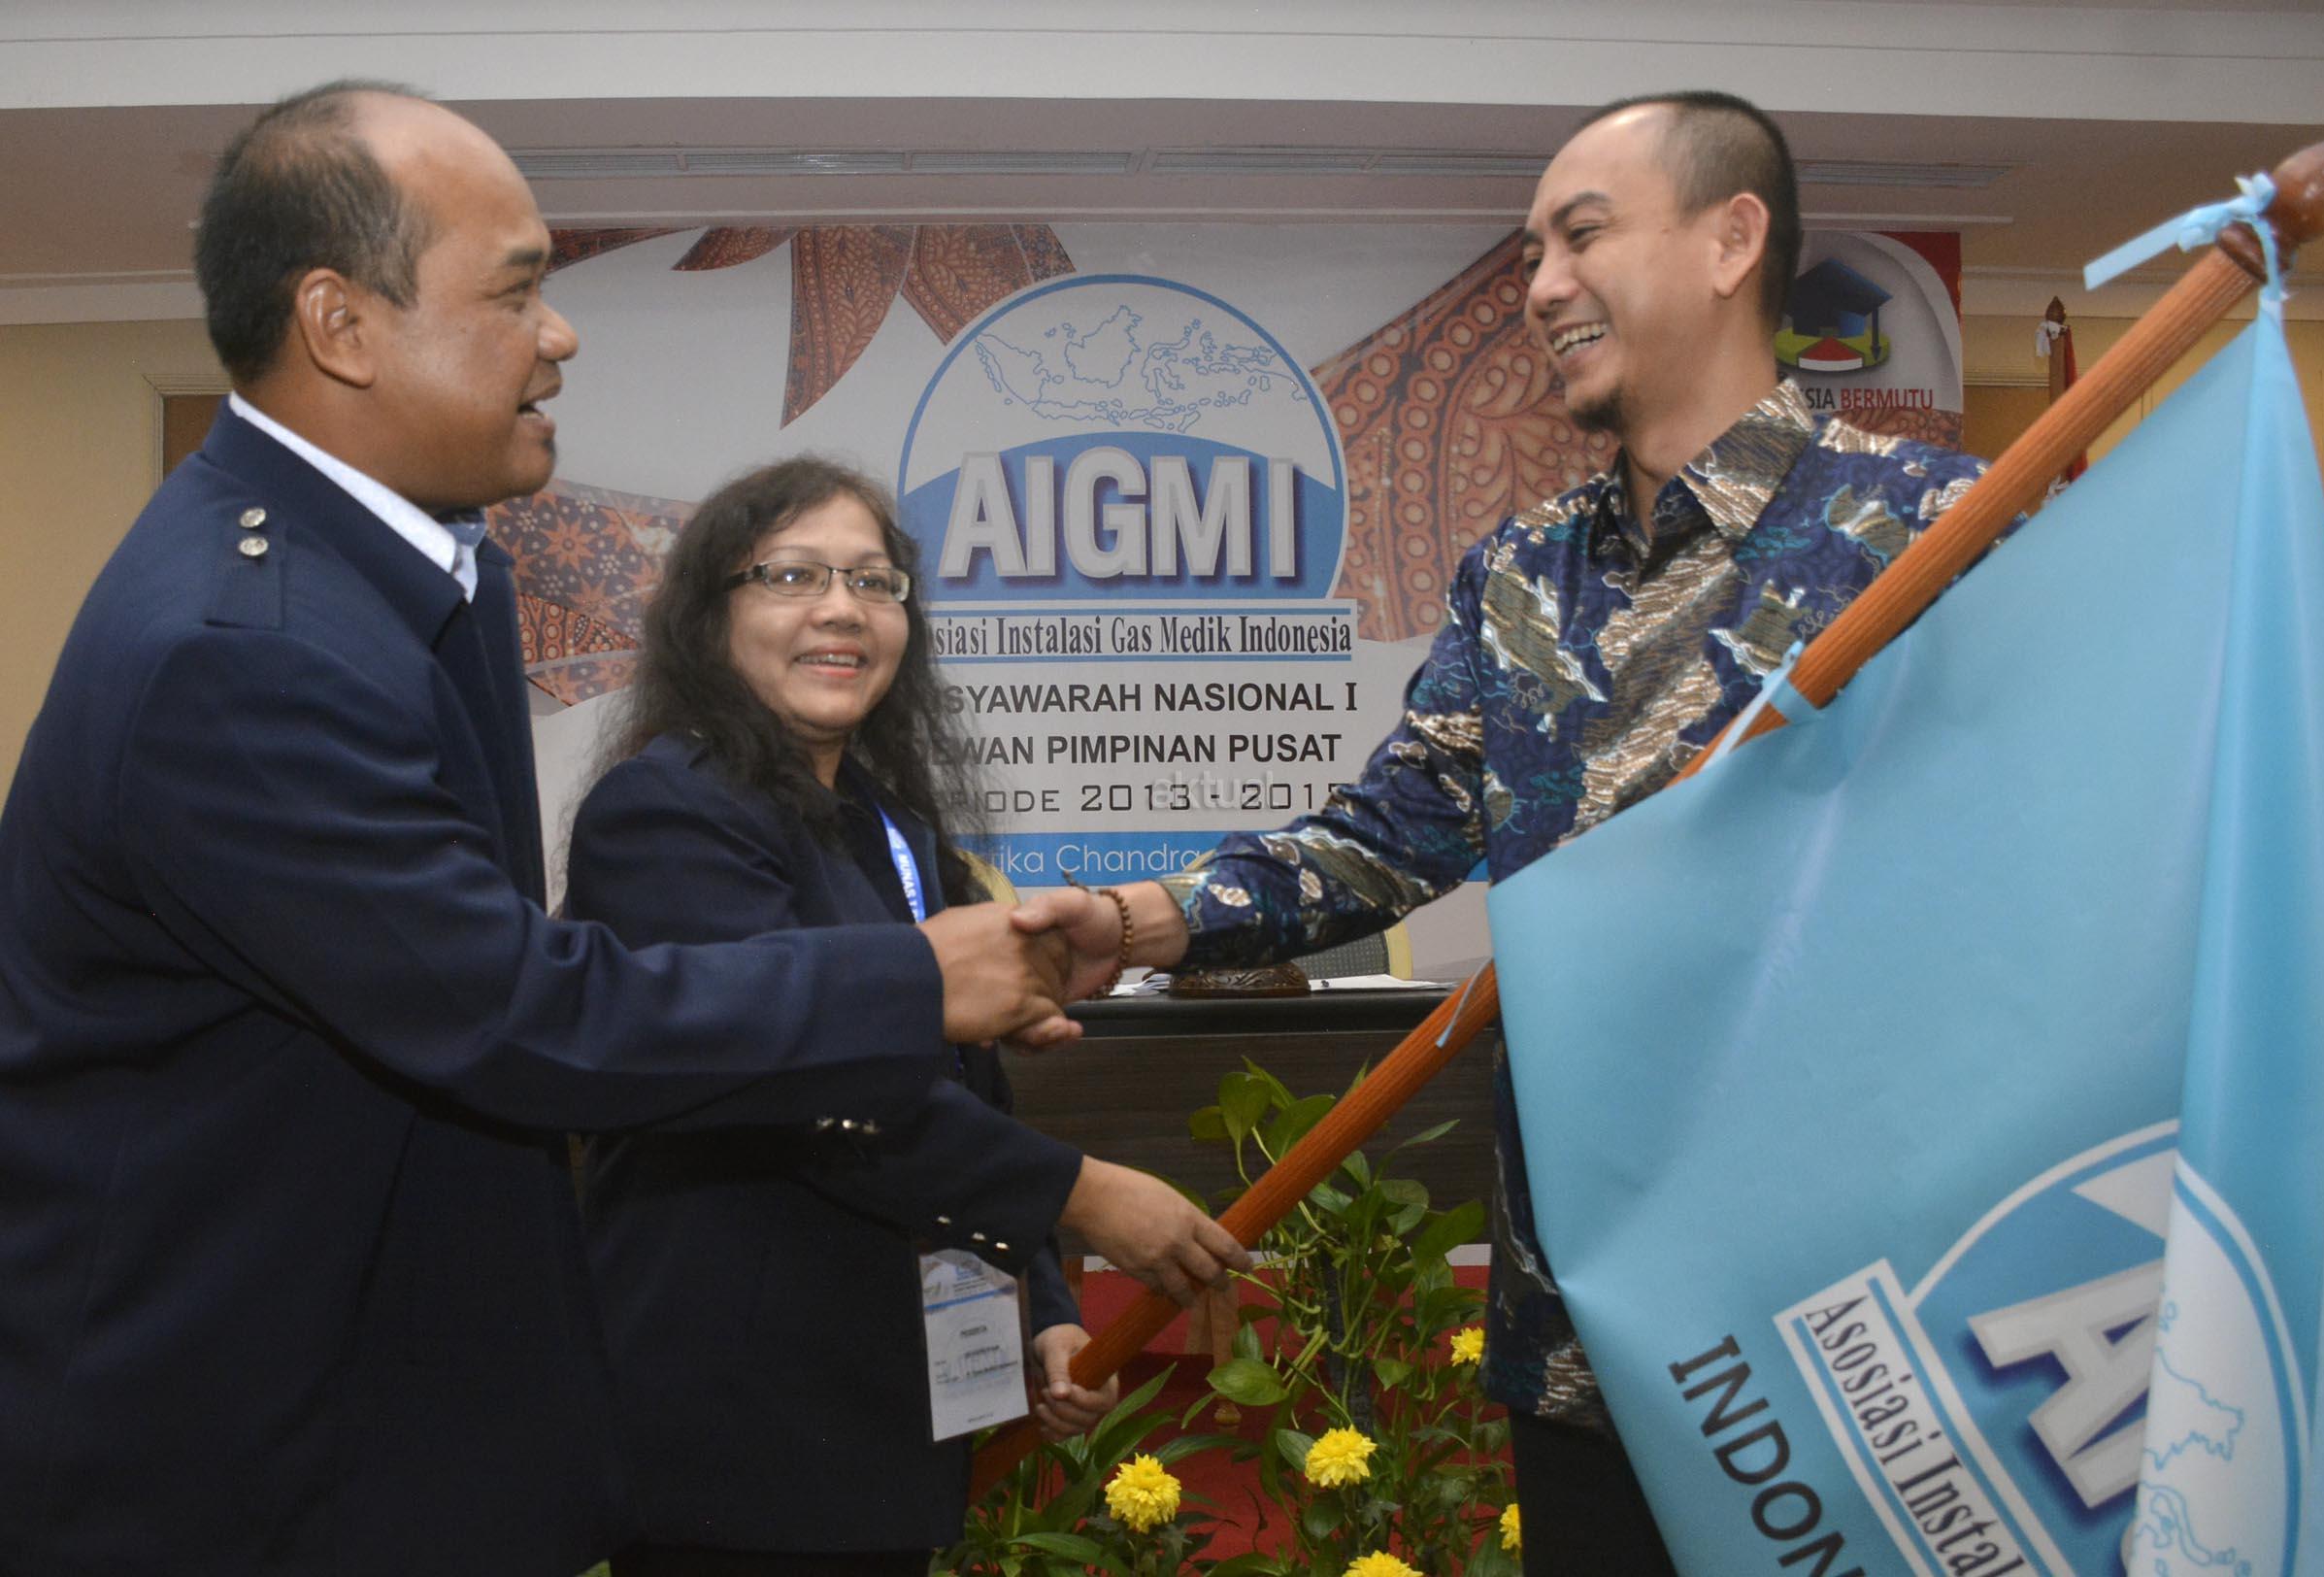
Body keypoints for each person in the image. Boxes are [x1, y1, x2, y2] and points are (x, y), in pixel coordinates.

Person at [0, 83, 1165, 1577]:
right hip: (246, 1442)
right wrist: (913, 981)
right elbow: (509, 1009)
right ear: (340, 324)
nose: (560, 335)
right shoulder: (247, 644)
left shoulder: (421, 575)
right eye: (516, 291)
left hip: (395, 1406)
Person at [1020, 91, 1994, 1574]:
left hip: (1854, 1324)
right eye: (1532, 250)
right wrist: (1137, 920)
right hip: (1585, 1332)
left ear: (1733, 240)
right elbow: (1389, 834)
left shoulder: (1935, 531)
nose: (1539, 284)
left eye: (1581, 235)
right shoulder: (1521, 573)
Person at [565, 457, 1247, 1577]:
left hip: (879, 1421)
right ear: (710, 616)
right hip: (740, 1440)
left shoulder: (889, 825)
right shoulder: (666, 813)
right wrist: (1080, 1191)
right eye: (792, 575)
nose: (842, 609)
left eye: (873, 581)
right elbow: (802, 1087)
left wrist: (1043, 1303)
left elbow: (963, 1086)